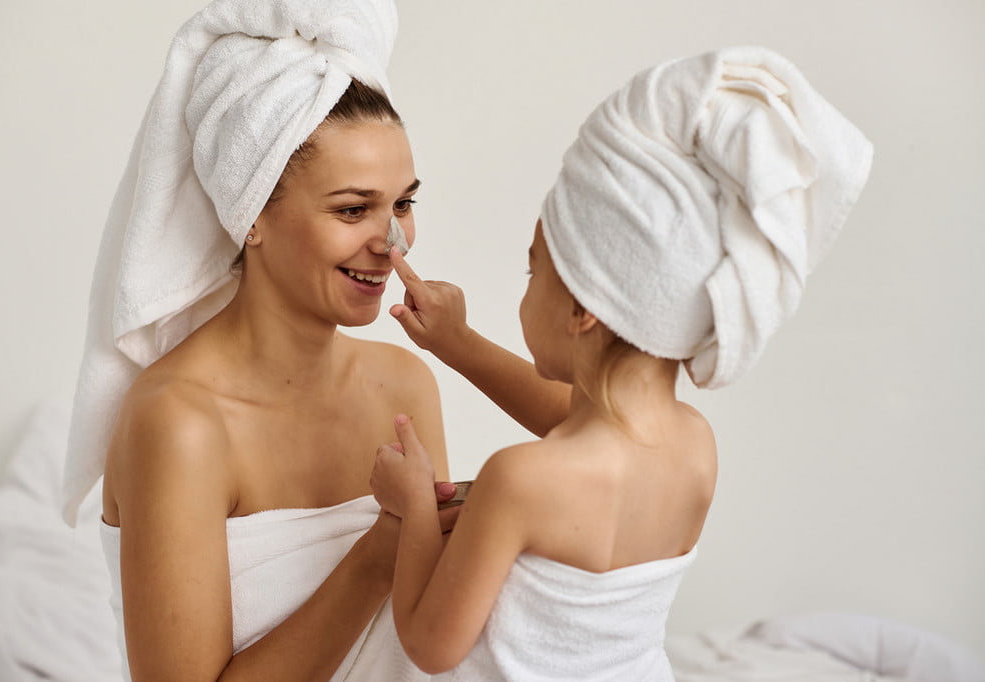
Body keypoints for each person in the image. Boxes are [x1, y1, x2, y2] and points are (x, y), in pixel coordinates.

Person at [370, 46, 873, 679]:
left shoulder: (517, 481)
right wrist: (458, 343)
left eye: (535, 269)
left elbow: (428, 645)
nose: (525, 286)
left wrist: (414, 504)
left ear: (585, 310)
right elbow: (578, 422)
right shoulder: (694, 444)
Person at [61, 1, 458, 680]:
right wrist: (379, 551)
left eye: (403, 204)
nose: (392, 243)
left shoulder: (404, 384)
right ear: (252, 217)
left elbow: (426, 631)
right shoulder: (180, 422)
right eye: (353, 209)